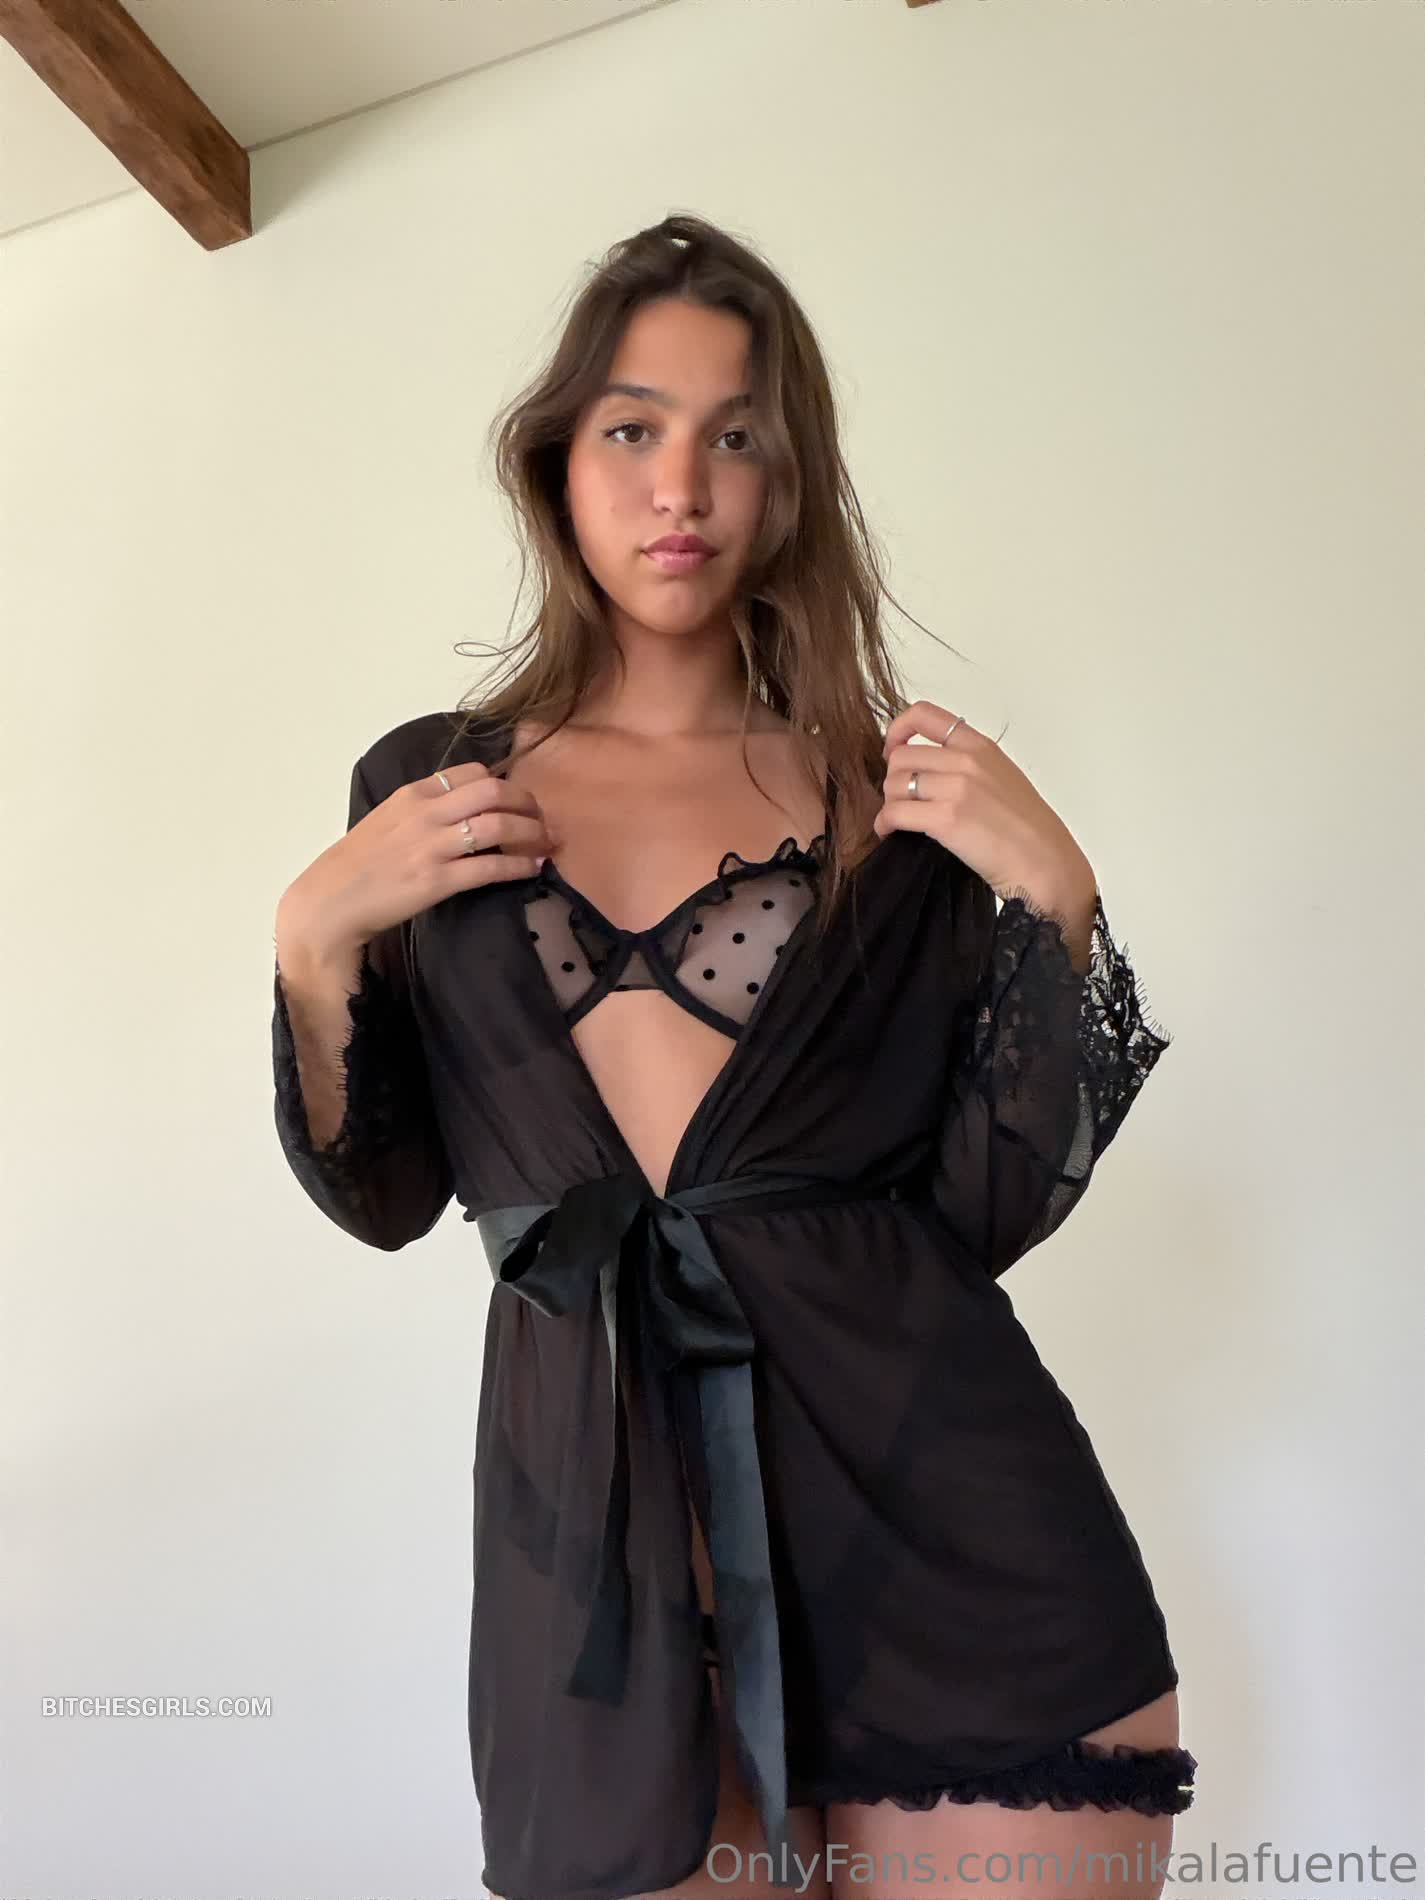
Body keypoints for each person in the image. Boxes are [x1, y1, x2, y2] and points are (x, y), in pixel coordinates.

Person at [270, 214, 1196, 1900]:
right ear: (556, 461)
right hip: (598, 1560)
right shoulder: (430, 787)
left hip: (947, 1534)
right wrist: (314, 937)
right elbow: (385, 1193)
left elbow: (976, 1214)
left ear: (790, 483)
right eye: (633, 428)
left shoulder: (887, 800)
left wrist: (1055, 908)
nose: (679, 485)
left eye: (737, 436)